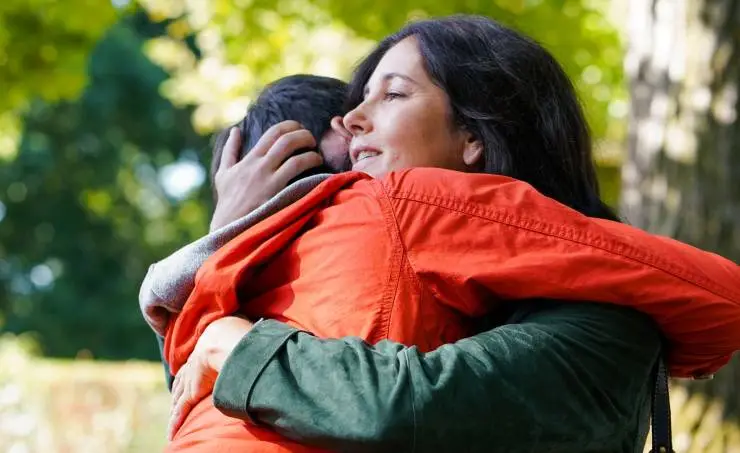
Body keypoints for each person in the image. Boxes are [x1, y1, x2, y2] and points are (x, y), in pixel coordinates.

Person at [155, 15, 740, 453]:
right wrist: (233, 238)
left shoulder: (604, 318)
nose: (352, 119)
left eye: (393, 94)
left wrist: (236, 345)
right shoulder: (382, 254)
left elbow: (419, 405)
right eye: (360, 97)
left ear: (476, 136)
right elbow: (196, 398)